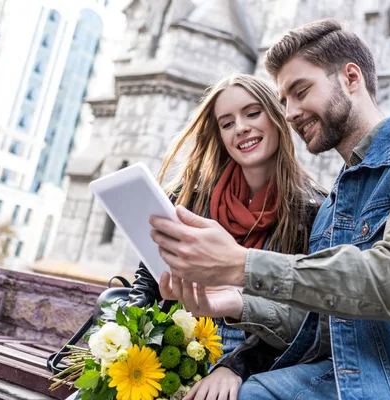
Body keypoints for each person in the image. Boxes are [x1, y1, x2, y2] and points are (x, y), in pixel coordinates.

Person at [151, 19, 390, 399]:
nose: (291, 112)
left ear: (351, 78)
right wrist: (237, 302)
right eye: (284, 101)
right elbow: (319, 325)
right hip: (358, 380)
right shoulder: (333, 205)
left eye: (301, 91)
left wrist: (241, 264)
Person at [128, 73, 327, 400]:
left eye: (252, 113)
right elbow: (146, 282)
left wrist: (236, 366)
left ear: (277, 117)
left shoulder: (312, 209)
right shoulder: (188, 196)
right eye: (227, 123)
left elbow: (304, 321)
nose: (241, 128)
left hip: (258, 365)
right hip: (177, 353)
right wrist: (125, 339)